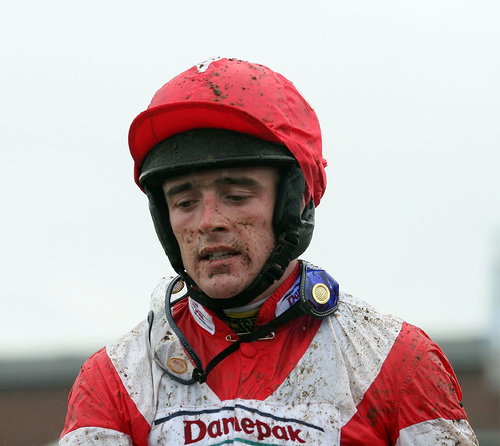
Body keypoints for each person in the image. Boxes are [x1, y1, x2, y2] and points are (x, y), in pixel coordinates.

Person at [60, 57, 478, 445]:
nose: (209, 221)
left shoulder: (397, 362)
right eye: (185, 202)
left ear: (296, 203)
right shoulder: (116, 379)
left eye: (237, 195)